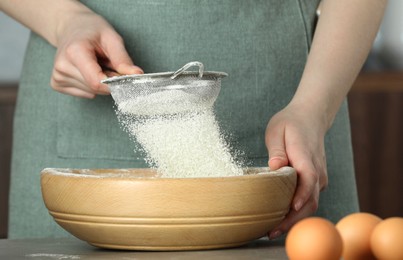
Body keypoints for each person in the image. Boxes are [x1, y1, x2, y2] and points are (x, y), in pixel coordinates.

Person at [0, 0, 386, 239]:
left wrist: (314, 108)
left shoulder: (308, 108)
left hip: (299, 106)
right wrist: (64, 19)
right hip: (81, 101)